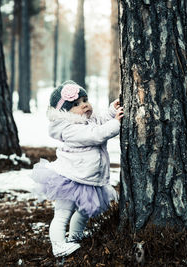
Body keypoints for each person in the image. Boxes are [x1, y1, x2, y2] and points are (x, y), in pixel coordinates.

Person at [31, 80, 123, 257]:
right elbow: (95, 134)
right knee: (63, 214)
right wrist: (116, 124)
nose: (84, 105)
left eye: (85, 100)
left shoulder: (87, 119)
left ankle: (74, 238)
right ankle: (58, 245)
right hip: (69, 178)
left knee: (83, 213)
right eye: (76, 104)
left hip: (86, 177)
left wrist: (112, 111)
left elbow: (100, 120)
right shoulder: (69, 129)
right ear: (64, 111)